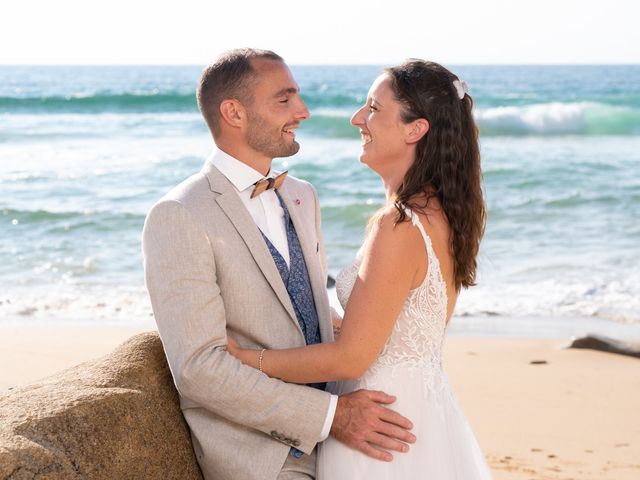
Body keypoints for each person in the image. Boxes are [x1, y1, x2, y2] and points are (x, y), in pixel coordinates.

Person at [142, 48, 415, 480]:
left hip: (341, 439)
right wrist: (332, 416)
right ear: (233, 112)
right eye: (284, 100)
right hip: (265, 458)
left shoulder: (302, 195)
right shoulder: (179, 213)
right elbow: (199, 369)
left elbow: (299, 306)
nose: (303, 112)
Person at [227, 59, 493, 479]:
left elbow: (351, 358)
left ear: (414, 129)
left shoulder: (400, 225)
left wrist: (250, 358)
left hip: (379, 426)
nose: (356, 119)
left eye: (373, 108)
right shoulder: (442, 214)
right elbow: (396, 327)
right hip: (420, 411)